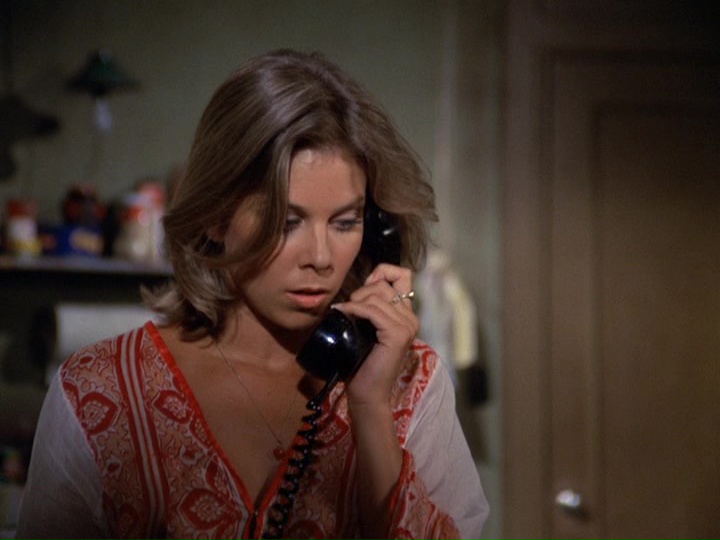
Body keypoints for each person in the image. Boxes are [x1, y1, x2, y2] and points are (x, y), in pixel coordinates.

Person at [17, 48, 489, 540]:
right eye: (287, 222)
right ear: (216, 218)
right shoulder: (98, 390)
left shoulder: (413, 384)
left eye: (345, 222)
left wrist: (371, 409)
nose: (321, 258)